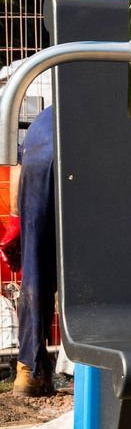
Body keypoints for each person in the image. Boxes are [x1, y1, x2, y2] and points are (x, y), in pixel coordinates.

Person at [8, 111, 56, 397]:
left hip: (36, 159)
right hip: (83, 148)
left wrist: (19, 221)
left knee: (36, 269)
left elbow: (16, 172)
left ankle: (29, 371)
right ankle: (92, 368)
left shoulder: (45, 115)